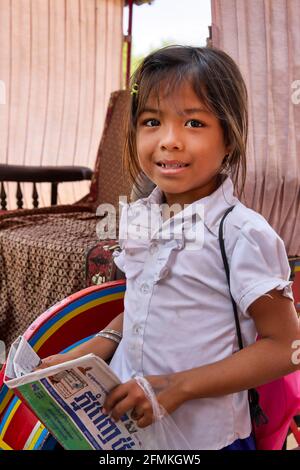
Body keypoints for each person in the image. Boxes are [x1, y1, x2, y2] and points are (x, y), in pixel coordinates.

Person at [38, 46, 299, 450]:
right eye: (152, 121)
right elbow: (146, 299)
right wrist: (97, 346)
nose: (169, 141)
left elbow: (286, 348)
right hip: (123, 424)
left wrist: (178, 387)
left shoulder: (241, 233)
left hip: (201, 436)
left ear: (229, 138)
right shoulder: (141, 216)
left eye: (194, 122)